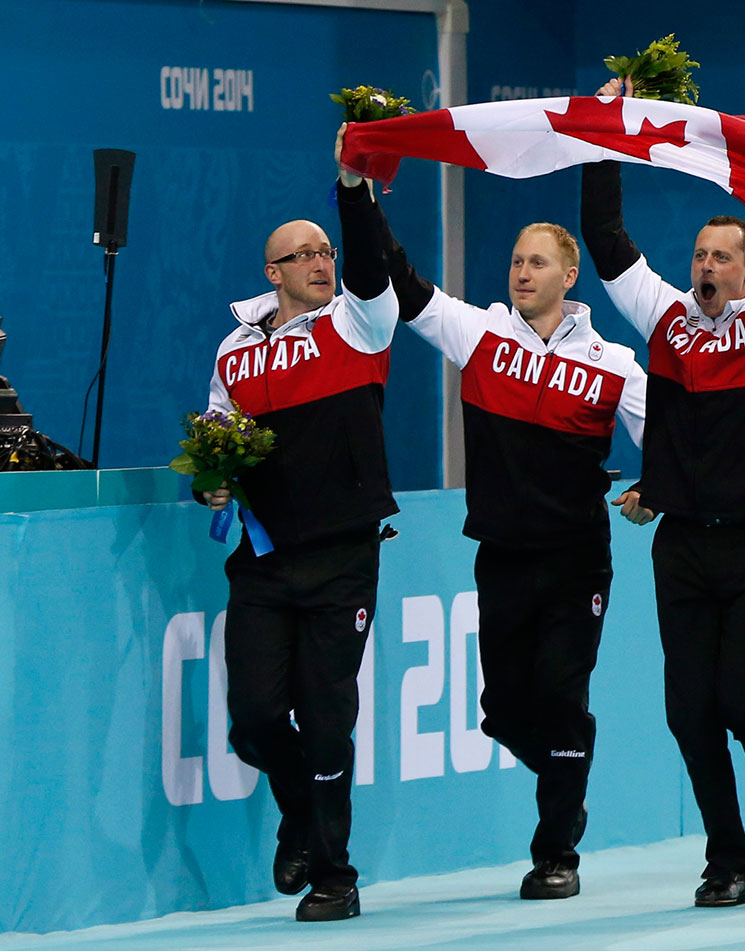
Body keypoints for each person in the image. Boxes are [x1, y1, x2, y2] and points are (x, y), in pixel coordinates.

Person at [576, 78, 745, 908]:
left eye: (721, 255)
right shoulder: (665, 321)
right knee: (689, 714)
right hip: (682, 542)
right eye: (698, 254)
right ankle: (724, 855)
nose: (705, 266)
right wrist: (605, 135)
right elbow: (607, 237)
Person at [386, 216, 647, 900]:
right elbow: (406, 287)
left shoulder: (613, 363)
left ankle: (555, 850)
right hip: (501, 554)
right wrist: (361, 191)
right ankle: (569, 781)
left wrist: (660, 486)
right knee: (502, 712)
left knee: (562, 698)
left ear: (569, 276)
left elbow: (674, 439)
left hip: (576, 560)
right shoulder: (480, 334)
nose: (521, 272)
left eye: (536, 262)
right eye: (515, 260)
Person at [197, 125, 397, 922]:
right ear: (273, 272)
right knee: (252, 719)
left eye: (328, 250)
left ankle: (336, 873)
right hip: (262, 559)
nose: (324, 262)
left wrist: (352, 188)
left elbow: (372, 264)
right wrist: (213, 488)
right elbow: (216, 444)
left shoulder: (360, 324)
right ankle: (302, 819)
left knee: (325, 718)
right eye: (305, 254)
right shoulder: (233, 349)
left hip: (342, 556)